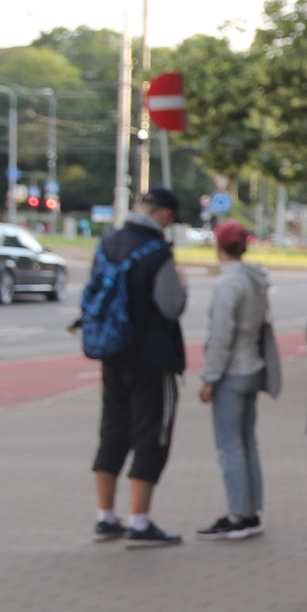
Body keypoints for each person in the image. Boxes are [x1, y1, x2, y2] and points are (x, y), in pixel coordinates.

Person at [90, 185, 190, 547]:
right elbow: (171, 306)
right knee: (152, 434)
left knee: (113, 429)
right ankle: (140, 522)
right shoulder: (157, 252)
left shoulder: (108, 242)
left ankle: (105, 517)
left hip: (112, 352)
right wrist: (182, 284)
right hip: (152, 358)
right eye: (171, 220)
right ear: (163, 214)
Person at [194, 220, 280, 541]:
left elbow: (221, 335)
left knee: (229, 445)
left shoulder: (228, 283)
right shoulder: (255, 280)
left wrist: (210, 377)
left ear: (218, 246)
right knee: (247, 441)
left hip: (232, 371)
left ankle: (237, 515)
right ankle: (252, 510)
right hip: (253, 367)